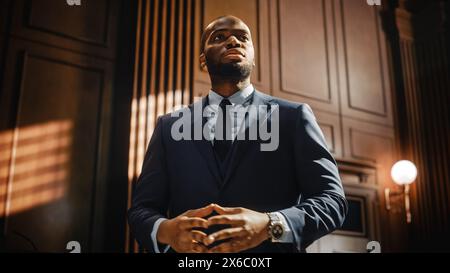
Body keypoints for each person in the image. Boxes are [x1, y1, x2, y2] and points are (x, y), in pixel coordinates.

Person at [128, 15, 347, 253]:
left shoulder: (294, 117)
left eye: (243, 37)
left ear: (253, 59)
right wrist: (167, 230)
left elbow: (332, 201)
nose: (233, 40)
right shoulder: (168, 127)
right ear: (203, 60)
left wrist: (269, 224)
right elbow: (141, 210)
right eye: (219, 37)